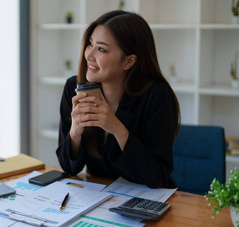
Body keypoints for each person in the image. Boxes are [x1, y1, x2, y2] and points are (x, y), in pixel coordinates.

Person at [56, 10, 180, 188]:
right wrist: (75, 132)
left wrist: (116, 128)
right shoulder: (74, 88)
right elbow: (68, 168)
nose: (89, 55)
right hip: (100, 200)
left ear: (128, 62)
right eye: (90, 44)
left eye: (101, 49)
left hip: (148, 199)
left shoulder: (157, 95)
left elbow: (157, 176)